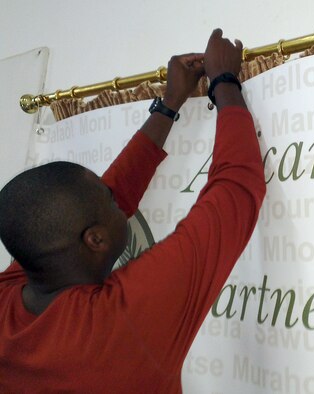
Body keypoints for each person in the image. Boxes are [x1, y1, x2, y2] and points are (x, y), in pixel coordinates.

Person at [0, 29, 266, 393]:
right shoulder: (121, 322)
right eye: (108, 201)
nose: (117, 198)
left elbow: (108, 192)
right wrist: (224, 81)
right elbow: (236, 189)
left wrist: (169, 105)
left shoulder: (13, 292)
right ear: (94, 239)